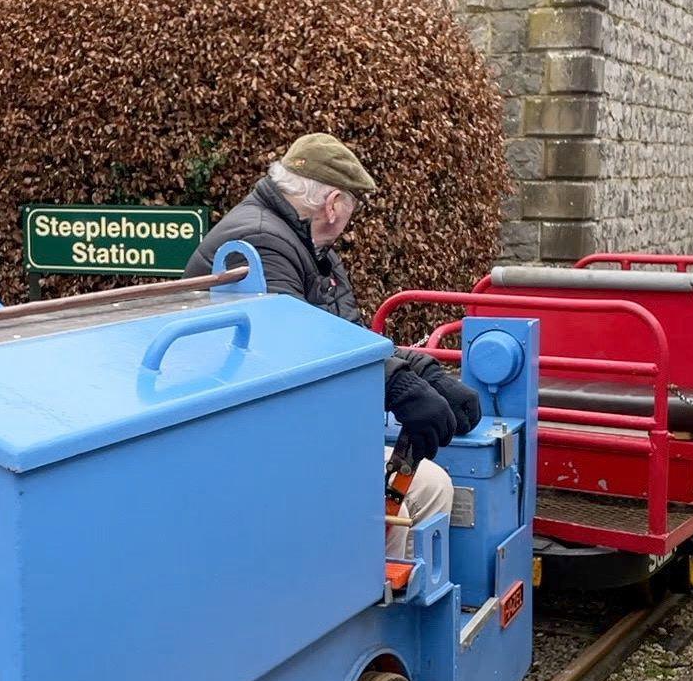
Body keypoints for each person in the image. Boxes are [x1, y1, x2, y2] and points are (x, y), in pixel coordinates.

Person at [185, 133, 481, 555]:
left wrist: (419, 369)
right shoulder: (263, 240)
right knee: (429, 487)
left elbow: (346, 337)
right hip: (248, 439)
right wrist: (398, 386)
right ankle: (378, 602)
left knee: (420, 477)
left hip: (280, 422)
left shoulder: (301, 243)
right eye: (350, 209)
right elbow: (294, 345)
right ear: (334, 204)